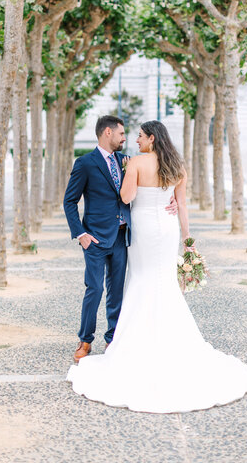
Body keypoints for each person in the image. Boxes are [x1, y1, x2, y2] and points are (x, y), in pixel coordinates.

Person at [66, 120, 247, 413]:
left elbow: (126, 198)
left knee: (140, 280)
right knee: (164, 282)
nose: (134, 140)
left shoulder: (136, 163)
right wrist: (188, 241)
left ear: (151, 138)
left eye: (140, 136)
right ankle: (167, 343)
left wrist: (133, 174)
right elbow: (180, 204)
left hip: (142, 229)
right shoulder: (177, 165)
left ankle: (126, 341)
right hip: (167, 230)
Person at [63, 115, 177, 364]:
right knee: (94, 289)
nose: (126, 138)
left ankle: (112, 338)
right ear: (107, 133)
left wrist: (172, 199)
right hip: (93, 238)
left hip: (122, 236)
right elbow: (69, 201)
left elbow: (140, 192)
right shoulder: (85, 163)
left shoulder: (125, 161)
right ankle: (85, 340)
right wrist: (80, 234)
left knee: (117, 291)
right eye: (122, 134)